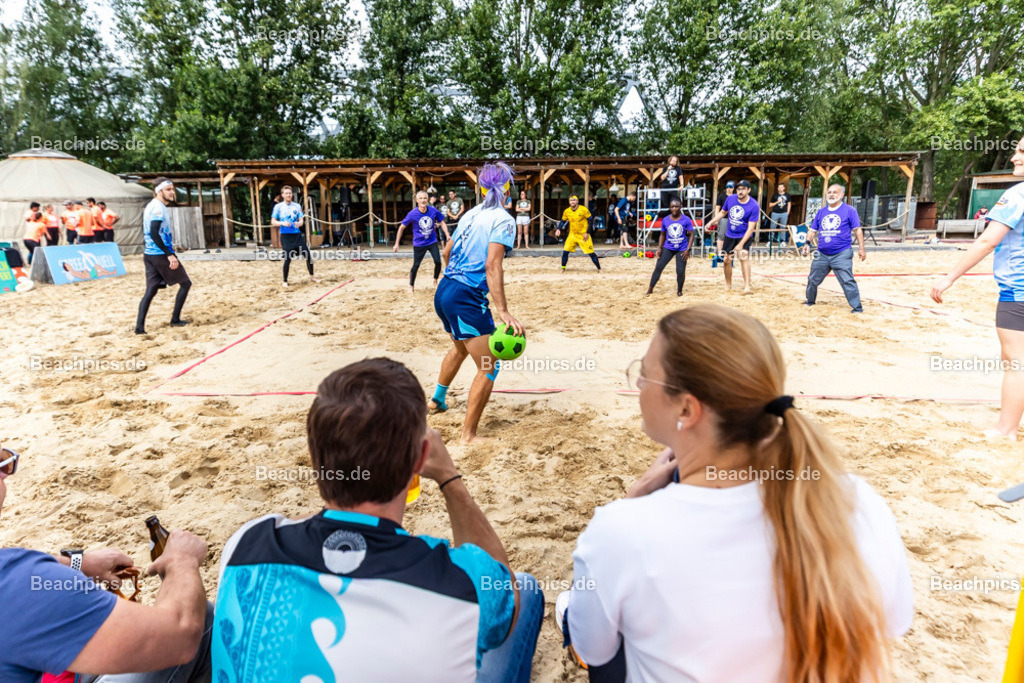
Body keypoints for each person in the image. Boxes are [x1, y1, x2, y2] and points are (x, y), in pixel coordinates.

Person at [556, 305, 913, 680]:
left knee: (583, 616)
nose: (639, 386)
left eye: (644, 375)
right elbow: (895, 623)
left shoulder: (621, 532)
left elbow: (592, 646)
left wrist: (630, 504)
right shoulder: (856, 500)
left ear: (687, 408)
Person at [212, 359, 544, 682]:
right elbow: (505, 594)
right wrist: (449, 479)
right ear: (422, 458)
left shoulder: (246, 544)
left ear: (315, 457)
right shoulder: (461, 580)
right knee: (523, 591)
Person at [0, 441, 215, 683]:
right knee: (199, 616)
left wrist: (78, 563)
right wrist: (181, 561)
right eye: (2, 462)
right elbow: (181, 637)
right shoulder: (21, 582)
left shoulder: (18, 576)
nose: (6, 475)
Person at [932, 134, 1024, 440]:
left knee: (1016, 364)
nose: (1014, 157)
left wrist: (949, 277)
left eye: (1021, 151)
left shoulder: (1017, 195)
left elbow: (986, 241)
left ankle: (1006, 430)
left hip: (1018, 294)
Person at [430, 162, 522, 443]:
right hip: (466, 298)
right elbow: (493, 265)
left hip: (445, 289)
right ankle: (468, 435)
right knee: (488, 365)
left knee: (459, 348)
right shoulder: (504, 219)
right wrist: (503, 310)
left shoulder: (471, 213)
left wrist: (454, 278)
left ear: (480, 188)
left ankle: (436, 401)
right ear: (508, 188)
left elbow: (446, 252)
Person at [135, 178, 191, 335]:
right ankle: (175, 320)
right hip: (160, 255)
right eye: (168, 190)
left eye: (172, 189)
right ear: (159, 191)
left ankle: (139, 328)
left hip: (150, 255)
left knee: (151, 290)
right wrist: (170, 255)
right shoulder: (158, 208)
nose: (172, 192)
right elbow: (153, 232)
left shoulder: (152, 206)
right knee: (186, 283)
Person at [801, 184, 866, 313]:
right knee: (812, 279)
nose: (831, 195)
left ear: (842, 195)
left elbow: (857, 230)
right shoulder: (821, 212)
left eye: (835, 192)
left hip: (841, 253)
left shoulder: (849, 210)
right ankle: (810, 301)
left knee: (847, 281)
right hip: (822, 253)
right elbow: (812, 231)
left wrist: (861, 249)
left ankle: (857, 308)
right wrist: (807, 244)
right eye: (829, 192)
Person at [705, 179, 758, 293]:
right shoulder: (730, 199)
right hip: (730, 234)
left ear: (748, 190)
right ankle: (728, 285)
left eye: (743, 189)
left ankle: (747, 286)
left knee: (743, 257)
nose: (740, 191)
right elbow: (723, 212)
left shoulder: (754, 205)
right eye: (739, 189)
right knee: (726, 260)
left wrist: (741, 244)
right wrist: (711, 222)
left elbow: (751, 228)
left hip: (744, 235)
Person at [394, 190, 449, 292]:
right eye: (421, 198)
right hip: (419, 243)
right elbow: (401, 227)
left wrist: (447, 234)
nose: (423, 200)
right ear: (417, 200)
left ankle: (435, 280)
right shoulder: (412, 214)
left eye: (425, 198)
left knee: (438, 262)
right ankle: (411, 285)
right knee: (416, 265)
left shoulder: (433, 210)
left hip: (432, 241)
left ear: (427, 200)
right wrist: (396, 243)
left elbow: (442, 222)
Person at [271, 185, 319, 288]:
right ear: (283, 195)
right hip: (285, 236)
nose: (288, 195)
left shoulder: (297, 206)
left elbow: (301, 220)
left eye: (290, 193)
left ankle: (312, 276)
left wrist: (299, 223)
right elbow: (273, 221)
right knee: (288, 259)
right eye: (286, 193)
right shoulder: (278, 207)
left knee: (308, 255)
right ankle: (285, 281)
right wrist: (282, 223)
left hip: (297, 235)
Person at [646, 199, 694, 297]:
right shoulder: (666, 220)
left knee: (680, 271)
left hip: (682, 248)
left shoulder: (686, 219)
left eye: (676, 206)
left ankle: (679, 290)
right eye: (672, 206)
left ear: (680, 207)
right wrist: (659, 248)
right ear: (670, 207)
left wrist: (688, 249)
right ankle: (650, 288)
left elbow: (692, 235)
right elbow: (662, 235)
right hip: (668, 247)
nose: (674, 208)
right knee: (658, 267)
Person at [556, 195, 602, 273]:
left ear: (577, 201)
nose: (572, 201)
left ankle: (599, 269)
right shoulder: (567, 211)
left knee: (591, 253)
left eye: (574, 200)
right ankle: (563, 268)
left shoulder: (583, 209)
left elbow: (590, 220)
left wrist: (587, 232)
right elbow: (563, 221)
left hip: (583, 235)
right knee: (565, 252)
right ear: (569, 202)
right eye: (571, 200)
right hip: (572, 235)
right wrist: (558, 229)